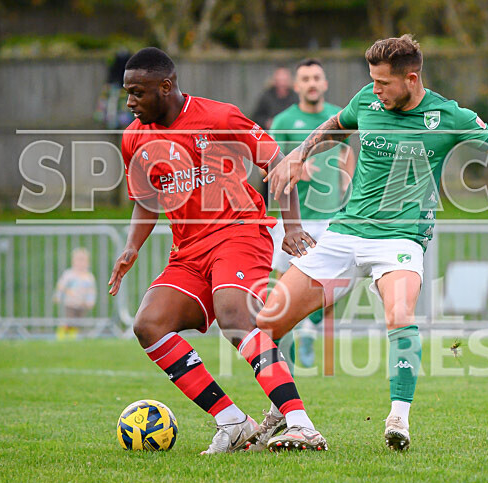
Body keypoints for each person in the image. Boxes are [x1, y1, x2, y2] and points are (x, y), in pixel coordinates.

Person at [258, 35, 488, 451]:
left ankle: (398, 418)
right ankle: (288, 416)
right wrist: (299, 153)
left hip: (400, 238)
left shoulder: (447, 115)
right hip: (345, 232)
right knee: (264, 327)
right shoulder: (368, 101)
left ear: (411, 79)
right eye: (372, 81)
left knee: (399, 313)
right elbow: (335, 126)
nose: (375, 90)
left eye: (383, 83)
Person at [107, 47, 327, 453]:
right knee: (149, 324)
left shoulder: (220, 117)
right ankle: (234, 422)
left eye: (137, 92)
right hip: (188, 252)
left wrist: (292, 225)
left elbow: (280, 164)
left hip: (239, 233)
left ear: (165, 87)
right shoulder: (133, 137)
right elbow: (146, 198)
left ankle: (301, 423)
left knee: (234, 314)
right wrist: (130, 247)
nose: (130, 102)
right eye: (127, 93)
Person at [268, 58, 356, 370]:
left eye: (317, 77)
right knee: (286, 285)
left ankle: (314, 337)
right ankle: (281, 352)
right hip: (294, 219)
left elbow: (347, 154)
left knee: (332, 285)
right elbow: (272, 163)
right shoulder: (283, 121)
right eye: (305, 78)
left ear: (325, 82)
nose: (312, 83)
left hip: (331, 217)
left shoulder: (337, 118)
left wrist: (349, 180)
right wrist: (297, 167)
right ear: (297, 86)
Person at [53, 248, 96, 340]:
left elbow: (91, 291)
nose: (81, 263)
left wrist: (90, 301)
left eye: (83, 260)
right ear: (73, 261)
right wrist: (58, 295)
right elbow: (61, 285)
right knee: (69, 320)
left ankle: (73, 336)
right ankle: (61, 334)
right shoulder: (69, 274)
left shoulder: (88, 277)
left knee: (78, 321)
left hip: (81, 304)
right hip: (70, 303)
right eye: (78, 260)